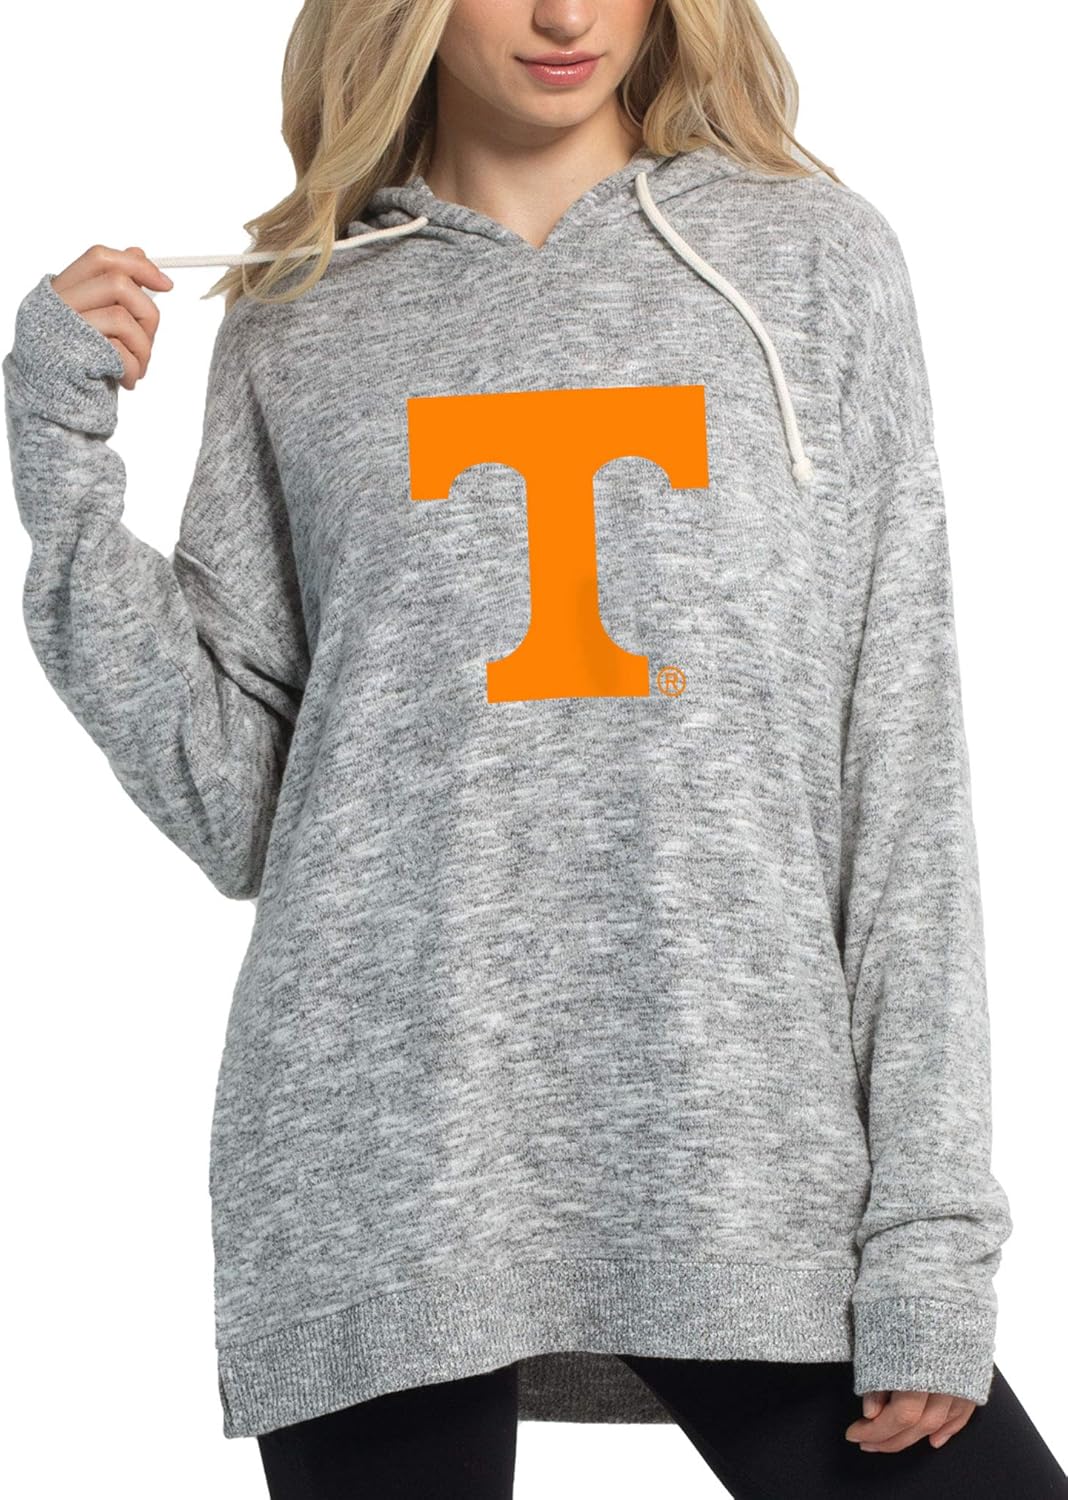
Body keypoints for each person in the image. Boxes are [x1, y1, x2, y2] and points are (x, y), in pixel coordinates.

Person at [4, 0, 1066, 1495]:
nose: (567, 15)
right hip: (384, 1163)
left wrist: (934, 1240)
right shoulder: (299, 313)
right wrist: (59, 463)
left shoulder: (814, 264)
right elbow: (245, 808)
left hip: (748, 1144)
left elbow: (902, 780)